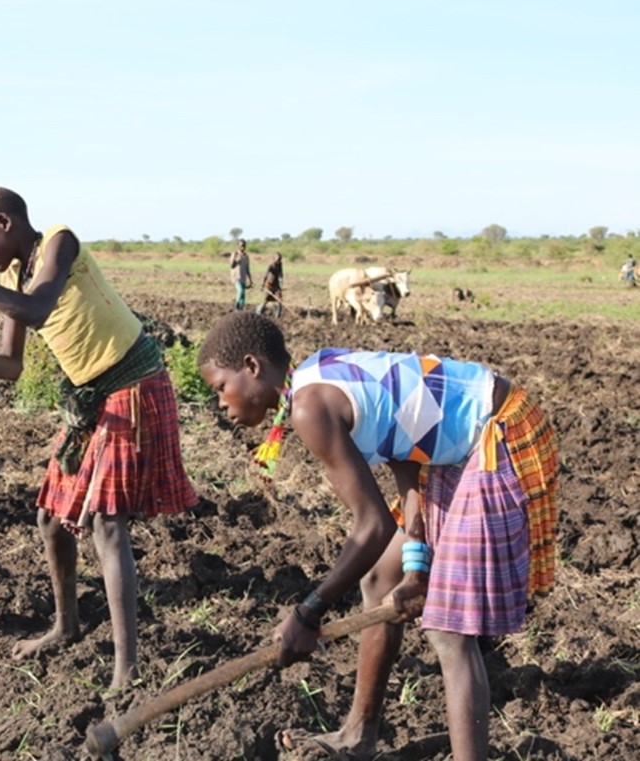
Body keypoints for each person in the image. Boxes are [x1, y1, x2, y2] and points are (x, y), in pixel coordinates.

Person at [197, 312, 558, 761]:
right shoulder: (316, 375)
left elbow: (372, 526)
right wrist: (415, 564)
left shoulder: (311, 405)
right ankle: (357, 735)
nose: (221, 404)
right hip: (453, 450)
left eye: (220, 388)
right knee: (380, 581)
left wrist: (309, 612)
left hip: (496, 434)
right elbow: (406, 451)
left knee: (448, 629)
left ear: (252, 367)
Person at [0, 186, 198, 690]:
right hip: (91, 398)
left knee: (108, 526)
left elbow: (39, 309)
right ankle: (67, 625)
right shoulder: (13, 284)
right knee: (49, 517)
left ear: (4, 222)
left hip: (132, 385)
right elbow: (11, 365)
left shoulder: (59, 243)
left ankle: (126, 670)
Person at [256, 252, 283, 318]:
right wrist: (262, 285)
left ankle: (278, 313)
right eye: (277, 259)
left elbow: (281, 274)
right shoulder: (271, 266)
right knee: (266, 299)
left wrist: (281, 280)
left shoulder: (280, 265)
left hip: (276, 284)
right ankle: (259, 309)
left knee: (279, 298)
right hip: (269, 284)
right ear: (274, 259)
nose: (278, 261)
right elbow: (265, 275)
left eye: (279, 259)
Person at [230, 239, 252, 311]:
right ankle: (236, 305)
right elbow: (231, 266)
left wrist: (250, 280)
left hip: (243, 277)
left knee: (243, 296)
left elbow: (247, 268)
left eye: (244, 245)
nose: (242, 247)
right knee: (240, 291)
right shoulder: (235, 254)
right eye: (241, 245)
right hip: (236, 277)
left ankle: (241, 309)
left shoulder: (246, 256)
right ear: (238, 246)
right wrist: (236, 260)